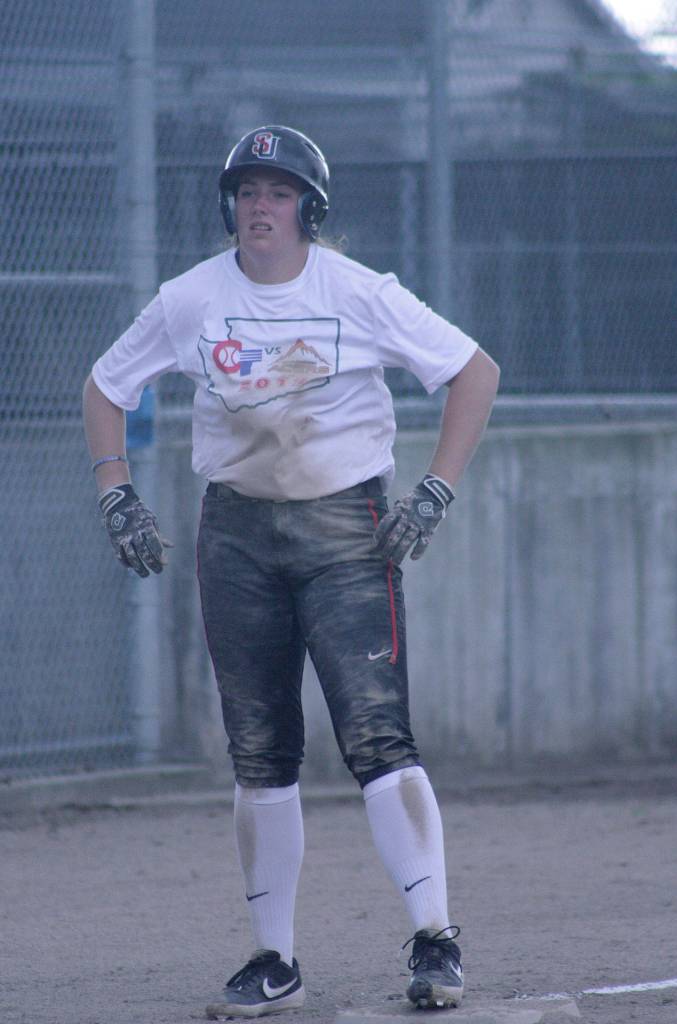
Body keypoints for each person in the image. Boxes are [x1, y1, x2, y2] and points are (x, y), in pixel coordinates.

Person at [83, 125, 500, 1018]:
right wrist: (116, 491)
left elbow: (472, 371)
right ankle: (273, 959)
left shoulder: (356, 292)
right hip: (233, 534)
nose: (258, 206)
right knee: (259, 753)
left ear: (309, 209)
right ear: (227, 207)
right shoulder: (192, 298)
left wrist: (431, 493)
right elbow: (106, 385)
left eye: (276, 192)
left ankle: (435, 938)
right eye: (245, 192)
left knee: (376, 738)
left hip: (346, 529)